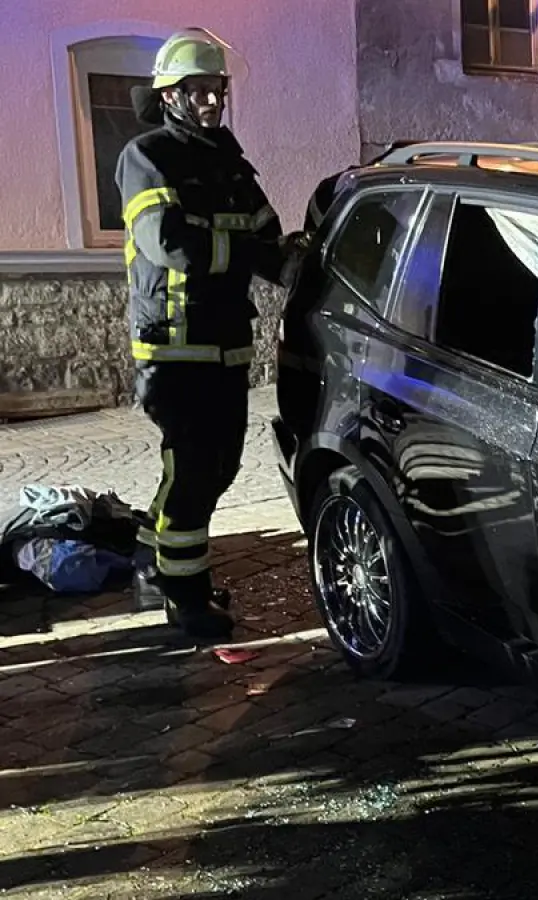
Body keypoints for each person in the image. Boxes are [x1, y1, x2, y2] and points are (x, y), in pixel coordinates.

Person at [118, 28, 307, 640]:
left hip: (226, 340)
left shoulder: (228, 160)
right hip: (172, 345)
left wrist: (306, 263)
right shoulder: (146, 157)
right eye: (196, 91)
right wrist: (247, 251)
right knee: (195, 466)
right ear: (169, 95)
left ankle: (151, 559)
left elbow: (268, 241)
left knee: (217, 465)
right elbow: (170, 244)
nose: (209, 103)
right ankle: (184, 597)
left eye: (216, 90)